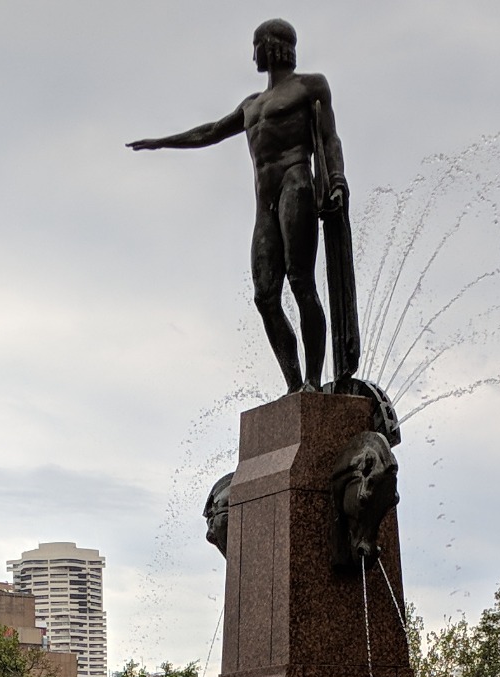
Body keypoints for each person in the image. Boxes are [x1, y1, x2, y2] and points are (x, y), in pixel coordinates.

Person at [128, 19, 357, 395]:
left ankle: (314, 384)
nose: (253, 54)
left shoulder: (310, 85)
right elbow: (210, 131)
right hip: (264, 202)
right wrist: (161, 142)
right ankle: (294, 387)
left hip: (296, 184)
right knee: (265, 296)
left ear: (274, 46)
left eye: (257, 45)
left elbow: (330, 138)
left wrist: (336, 180)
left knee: (300, 282)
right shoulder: (251, 105)